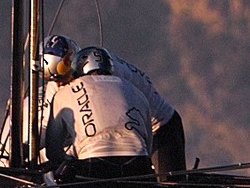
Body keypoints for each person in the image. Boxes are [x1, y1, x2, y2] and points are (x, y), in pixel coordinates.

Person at [41, 35, 186, 179]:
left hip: (162, 127)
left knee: (169, 186)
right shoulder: (61, 80)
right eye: (49, 77)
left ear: (73, 61)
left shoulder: (114, 76)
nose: (58, 83)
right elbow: (48, 126)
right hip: (133, 139)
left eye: (62, 70)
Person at [44, 46, 154, 179]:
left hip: (93, 163)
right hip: (139, 163)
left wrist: (68, 162)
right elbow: (148, 142)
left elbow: (53, 150)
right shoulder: (136, 91)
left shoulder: (64, 92)